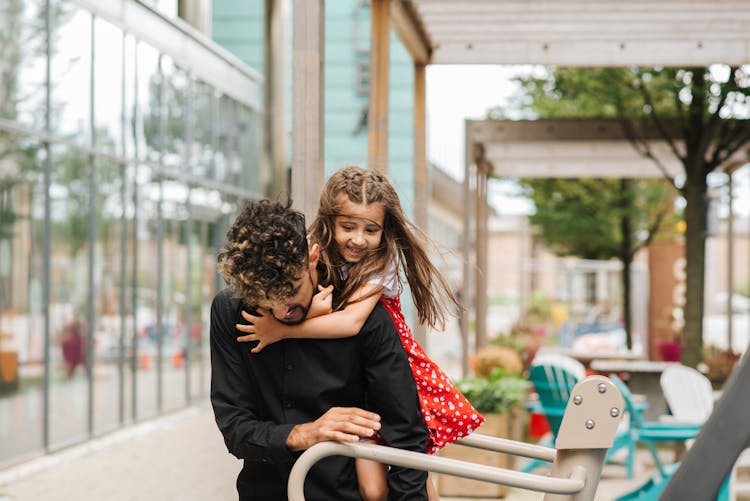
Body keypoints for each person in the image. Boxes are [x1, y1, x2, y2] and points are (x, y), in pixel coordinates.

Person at [236, 166, 484, 501]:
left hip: (391, 370)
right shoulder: (318, 254)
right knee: (371, 487)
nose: (358, 239)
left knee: (410, 463)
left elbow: (351, 321)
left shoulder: (378, 265)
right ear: (330, 222)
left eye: (371, 229)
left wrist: (280, 330)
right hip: (359, 383)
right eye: (348, 227)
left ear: (384, 231)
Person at [210, 198, 429, 501]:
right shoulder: (230, 310)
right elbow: (235, 429)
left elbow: (407, 438)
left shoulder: (365, 317)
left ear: (312, 256)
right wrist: (307, 432)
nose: (283, 310)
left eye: (291, 290)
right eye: (267, 301)